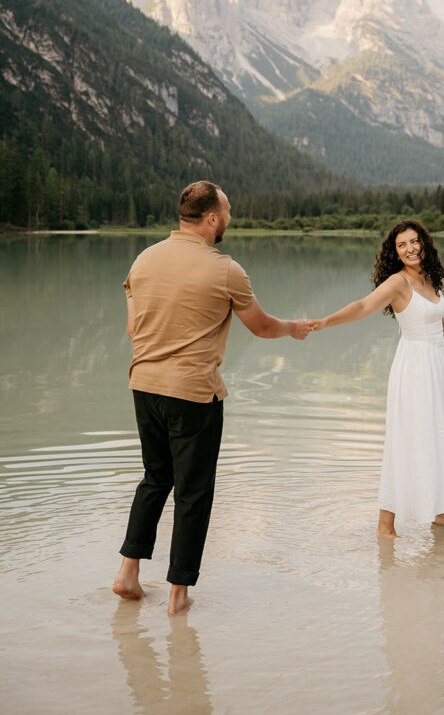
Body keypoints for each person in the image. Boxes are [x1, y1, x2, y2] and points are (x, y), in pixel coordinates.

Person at [113, 180, 311, 614]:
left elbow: (133, 328)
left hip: (144, 385)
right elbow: (260, 326)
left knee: (155, 477)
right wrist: (292, 327)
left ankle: (128, 574)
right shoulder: (226, 269)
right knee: (193, 492)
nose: (230, 219)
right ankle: (178, 596)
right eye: (228, 212)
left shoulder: (144, 259)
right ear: (213, 219)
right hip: (192, 393)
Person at [311, 220, 444, 537]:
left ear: (423, 243)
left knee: (434, 436)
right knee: (407, 439)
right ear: (394, 252)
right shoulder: (398, 283)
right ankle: (386, 525)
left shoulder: (430, 278)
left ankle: (441, 512)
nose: (410, 248)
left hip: (434, 368)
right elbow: (363, 306)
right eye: (402, 245)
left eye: (414, 241)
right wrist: (326, 321)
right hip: (413, 370)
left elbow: (439, 322)